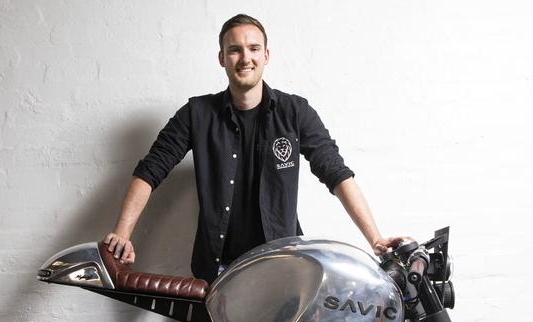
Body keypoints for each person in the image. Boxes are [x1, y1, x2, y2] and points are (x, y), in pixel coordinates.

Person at [104, 14, 403, 283]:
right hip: (219, 269)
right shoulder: (196, 114)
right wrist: (122, 233)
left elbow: (337, 174)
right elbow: (150, 171)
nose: (244, 57)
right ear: (222, 58)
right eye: (234, 49)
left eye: (253, 48)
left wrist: (375, 239)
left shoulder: (295, 112)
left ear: (266, 55)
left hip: (283, 266)